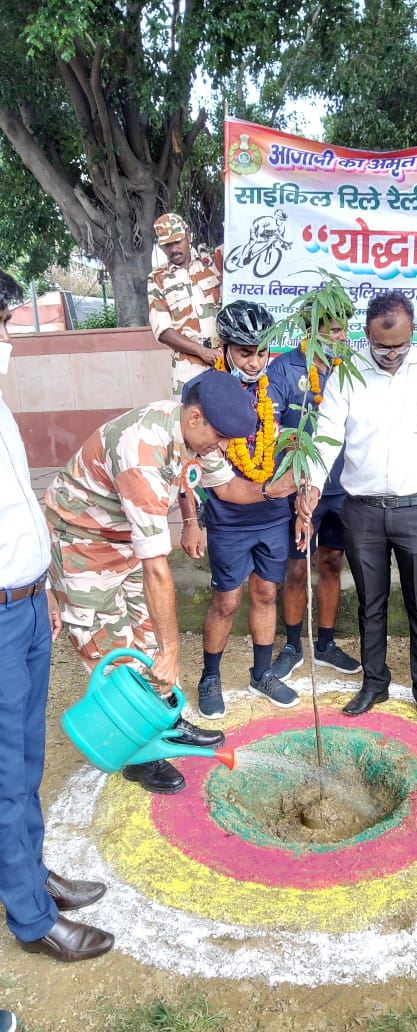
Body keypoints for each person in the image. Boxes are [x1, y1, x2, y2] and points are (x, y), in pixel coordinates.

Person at [45, 370, 295, 795]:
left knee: (146, 638)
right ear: (195, 418)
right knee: (115, 655)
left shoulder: (196, 434)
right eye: (219, 438)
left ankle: (167, 722)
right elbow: (158, 569)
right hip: (83, 547)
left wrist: (275, 490)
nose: (223, 448)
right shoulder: (142, 452)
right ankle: (140, 758)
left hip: (122, 539)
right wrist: (173, 650)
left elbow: (230, 488)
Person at [0, 270, 113, 962]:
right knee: (5, 771)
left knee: (27, 758)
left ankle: (29, 872)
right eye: (1, 326)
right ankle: (32, 917)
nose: (7, 339)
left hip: (23, 602)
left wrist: (36, 586)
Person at [296, 290, 417, 732]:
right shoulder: (346, 375)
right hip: (363, 512)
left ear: (413, 333)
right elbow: (329, 436)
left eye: (399, 345)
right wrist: (312, 485)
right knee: (371, 604)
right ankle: (375, 683)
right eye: (381, 346)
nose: (390, 355)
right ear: (366, 335)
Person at [193, 302, 299, 718]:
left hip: (274, 516)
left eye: (261, 351)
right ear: (224, 347)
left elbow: (294, 441)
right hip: (228, 516)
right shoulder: (202, 389)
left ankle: (261, 673)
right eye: (244, 352)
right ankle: (210, 677)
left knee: (266, 592)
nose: (254, 362)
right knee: (227, 601)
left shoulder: (278, 385)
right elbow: (188, 461)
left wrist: (301, 500)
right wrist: (190, 518)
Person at [268, 294, 361, 679]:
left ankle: (324, 644)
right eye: (333, 330)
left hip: (341, 486)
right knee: (295, 567)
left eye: (345, 329)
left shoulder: (351, 368)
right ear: (311, 330)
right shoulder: (285, 370)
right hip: (298, 486)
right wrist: (296, 469)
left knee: (331, 563)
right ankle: (292, 645)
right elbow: (270, 429)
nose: (341, 337)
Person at [147, 213, 223, 399]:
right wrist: (202, 352)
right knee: (190, 421)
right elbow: (163, 331)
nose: (173, 249)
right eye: (167, 245)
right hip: (188, 366)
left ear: (189, 235)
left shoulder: (212, 263)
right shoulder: (157, 279)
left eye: (177, 241)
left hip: (224, 357)